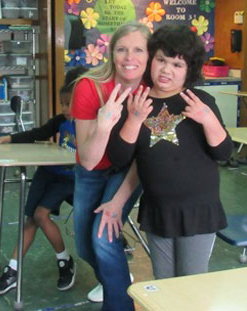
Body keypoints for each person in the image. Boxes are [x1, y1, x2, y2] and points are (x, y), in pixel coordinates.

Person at [97, 24, 233, 280]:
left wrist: (208, 119)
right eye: (161, 60)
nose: (166, 70)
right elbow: (121, 158)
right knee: (164, 283)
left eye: (177, 65)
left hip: (198, 211)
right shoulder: (137, 102)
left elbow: (224, 153)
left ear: (188, 70)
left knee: (190, 284)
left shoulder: (200, 100)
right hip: (158, 210)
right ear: (151, 60)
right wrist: (134, 120)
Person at [70, 21, 151, 311]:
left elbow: (146, 156)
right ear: (111, 53)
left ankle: (119, 303)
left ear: (149, 55)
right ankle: (116, 275)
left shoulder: (154, 90)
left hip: (128, 171)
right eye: (122, 49)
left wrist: (117, 202)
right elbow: (89, 161)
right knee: (84, 246)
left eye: (138, 49)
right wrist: (105, 122)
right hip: (91, 171)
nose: (129, 58)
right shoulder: (89, 87)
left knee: (102, 237)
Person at [0, 66, 87, 296]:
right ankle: (12, 270)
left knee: (41, 214)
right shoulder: (60, 120)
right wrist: (6, 139)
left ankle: (64, 261)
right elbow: (37, 133)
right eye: (63, 103)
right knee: (30, 219)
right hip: (48, 173)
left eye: (69, 103)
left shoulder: (89, 123)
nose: (65, 109)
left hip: (68, 180)